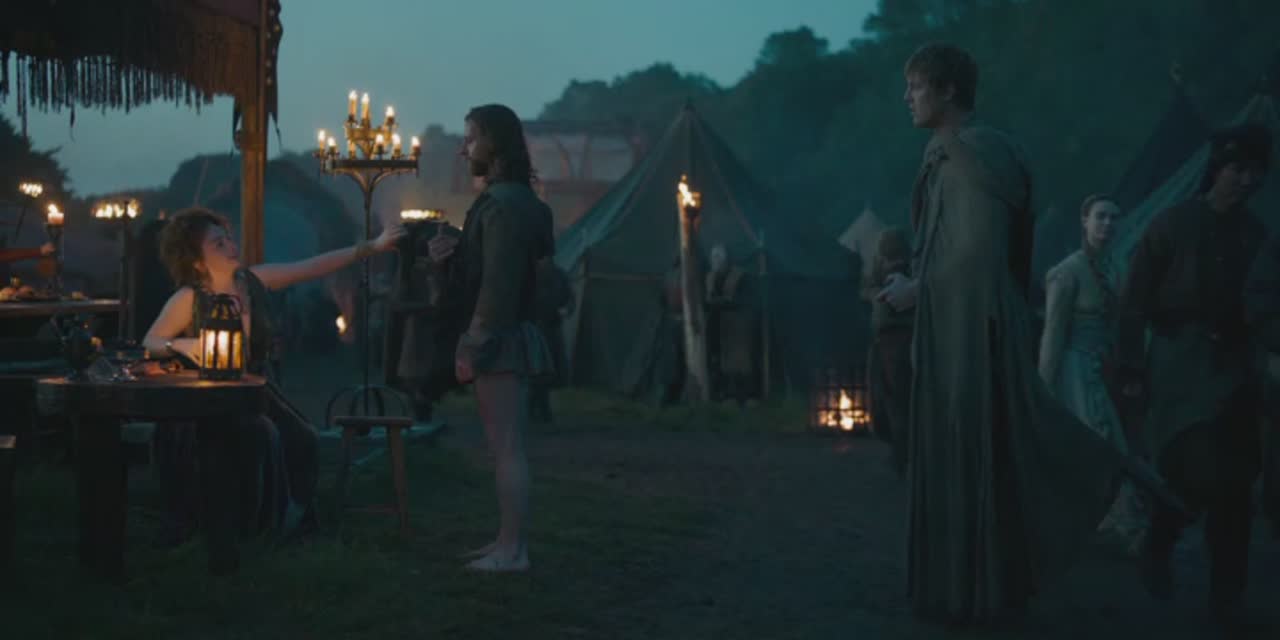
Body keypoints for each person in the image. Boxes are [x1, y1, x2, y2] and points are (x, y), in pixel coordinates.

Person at [877, 42, 1135, 624]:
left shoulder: (975, 154)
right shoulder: (951, 154)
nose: (907, 98)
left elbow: (977, 256)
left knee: (976, 453)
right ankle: (960, 588)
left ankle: (978, 592)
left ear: (947, 90)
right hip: (955, 332)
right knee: (959, 455)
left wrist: (919, 288)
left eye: (916, 86)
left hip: (974, 336)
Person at [141, 207, 403, 552]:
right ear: (197, 260)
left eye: (228, 238)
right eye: (219, 244)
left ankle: (288, 524)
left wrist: (373, 246)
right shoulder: (189, 298)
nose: (231, 246)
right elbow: (151, 341)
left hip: (256, 390)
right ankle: (241, 525)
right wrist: (184, 345)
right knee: (260, 436)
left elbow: (311, 266)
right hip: (209, 396)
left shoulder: (253, 281)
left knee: (302, 437)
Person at [1117, 123, 1271, 622]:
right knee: (1194, 471)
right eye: (1237, 169)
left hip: (1236, 369)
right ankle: (1160, 541)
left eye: (1255, 172)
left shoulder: (1256, 235)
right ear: (1217, 169)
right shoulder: (1171, 225)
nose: (1246, 180)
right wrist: (1131, 368)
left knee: (1236, 485)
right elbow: (1134, 301)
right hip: (1180, 365)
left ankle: (1227, 597)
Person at [428, 104, 555, 573]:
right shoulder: (517, 202)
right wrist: (451, 257)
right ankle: (506, 541)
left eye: (471, 138)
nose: (464, 149)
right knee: (504, 446)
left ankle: (513, 551)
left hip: (499, 338)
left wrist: (474, 341)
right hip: (508, 334)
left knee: (506, 448)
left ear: (494, 143)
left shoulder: (502, 206)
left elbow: (499, 283)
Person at [1039, 194, 1144, 542]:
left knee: (1113, 444)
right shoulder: (1067, 273)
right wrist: (1045, 388)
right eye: (1100, 217)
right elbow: (1053, 334)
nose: (1107, 224)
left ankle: (1105, 518)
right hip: (1075, 370)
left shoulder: (1116, 268)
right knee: (1095, 441)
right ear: (1084, 221)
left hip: (1104, 366)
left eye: (1114, 218)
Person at [863, 227, 913, 474]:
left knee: (898, 402)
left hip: (899, 340)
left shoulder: (904, 273)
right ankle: (900, 453)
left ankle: (902, 456)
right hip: (885, 341)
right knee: (890, 400)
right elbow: (868, 289)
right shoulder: (883, 272)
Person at [704, 244, 758, 406]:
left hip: (738, 324)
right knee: (722, 361)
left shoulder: (740, 276)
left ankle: (748, 395)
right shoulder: (709, 277)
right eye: (714, 257)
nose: (716, 261)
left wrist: (724, 303)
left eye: (719, 257)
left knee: (742, 361)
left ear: (727, 258)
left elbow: (745, 299)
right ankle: (727, 395)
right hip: (718, 324)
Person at [529, 257, 573, 423]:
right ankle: (538, 409)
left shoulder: (559, 276)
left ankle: (539, 409)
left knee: (548, 371)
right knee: (537, 371)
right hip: (534, 329)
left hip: (553, 329)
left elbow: (569, 298)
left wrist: (566, 309)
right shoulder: (530, 276)